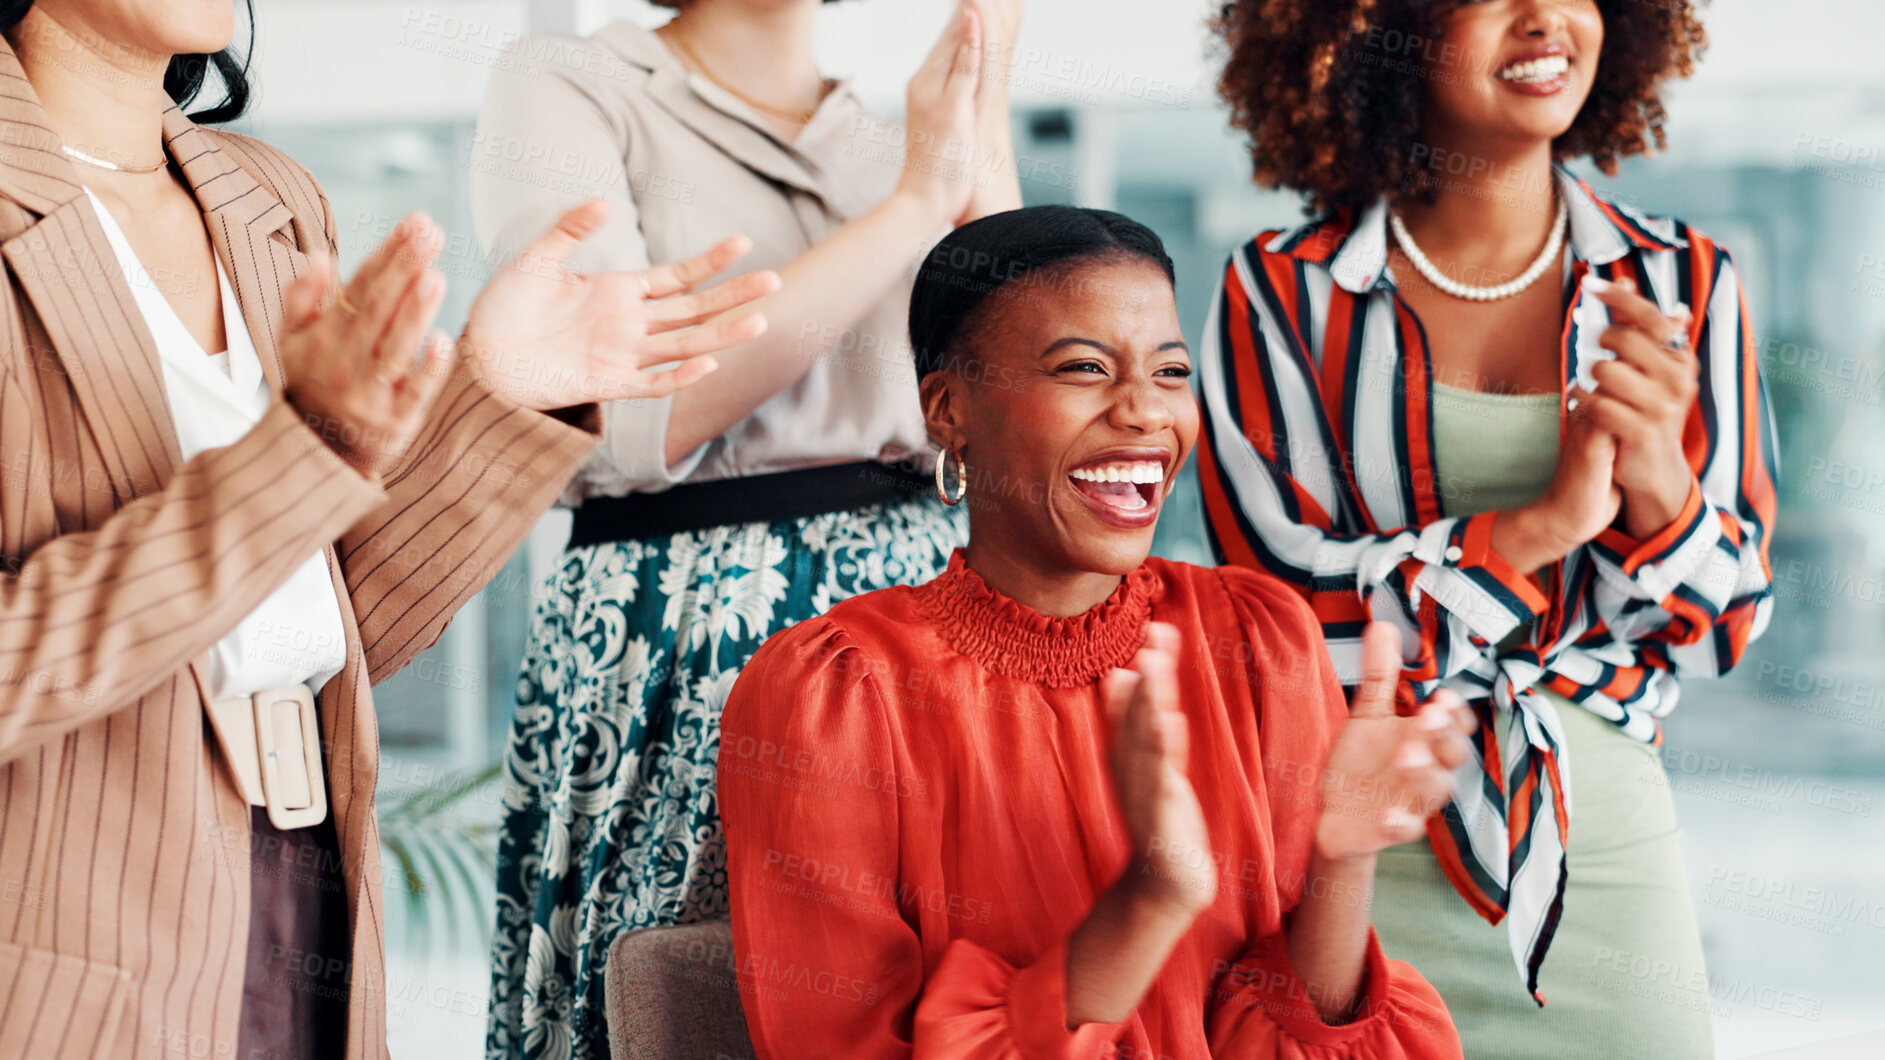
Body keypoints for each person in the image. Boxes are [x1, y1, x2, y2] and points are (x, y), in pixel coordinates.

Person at [0, 1, 778, 1057]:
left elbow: (328, 623)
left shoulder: (268, 199)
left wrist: (497, 397)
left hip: (301, 876)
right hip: (59, 915)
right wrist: (299, 456)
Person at [719, 205, 1473, 1058]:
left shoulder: (1258, 638)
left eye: (1169, 372)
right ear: (947, 410)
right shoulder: (835, 695)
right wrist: (1149, 901)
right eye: (1082, 368)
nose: (1146, 413)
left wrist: (1342, 858)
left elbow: (1298, 1030)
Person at [1201, 1, 1777, 1055]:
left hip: (1600, 858)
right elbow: (1281, 628)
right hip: (1357, 861)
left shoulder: (1684, 281)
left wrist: (1654, 477)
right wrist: (1539, 528)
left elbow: (1727, 620)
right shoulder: (1280, 292)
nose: (1543, 17)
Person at [469, 2, 1025, 1055]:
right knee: (681, 1001)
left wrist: (979, 149)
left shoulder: (884, 132)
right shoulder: (572, 82)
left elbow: (1018, 411)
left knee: (933, 1006)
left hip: (926, 612)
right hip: (689, 617)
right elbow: (632, 419)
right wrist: (915, 204)